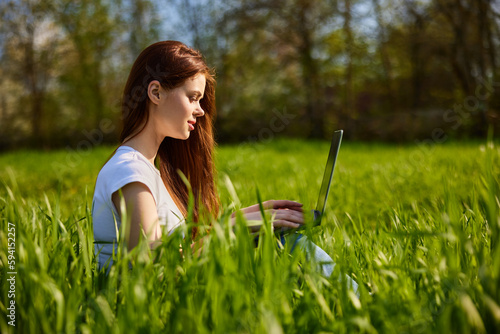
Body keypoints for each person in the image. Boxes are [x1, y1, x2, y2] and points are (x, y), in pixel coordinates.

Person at [92, 41, 358, 293]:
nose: (200, 110)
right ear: (156, 92)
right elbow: (153, 267)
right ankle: (362, 303)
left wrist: (242, 218)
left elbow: (180, 249)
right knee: (285, 242)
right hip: (147, 311)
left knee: (273, 237)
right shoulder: (130, 172)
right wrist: (232, 231)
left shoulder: (149, 171)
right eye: (193, 97)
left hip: (173, 298)